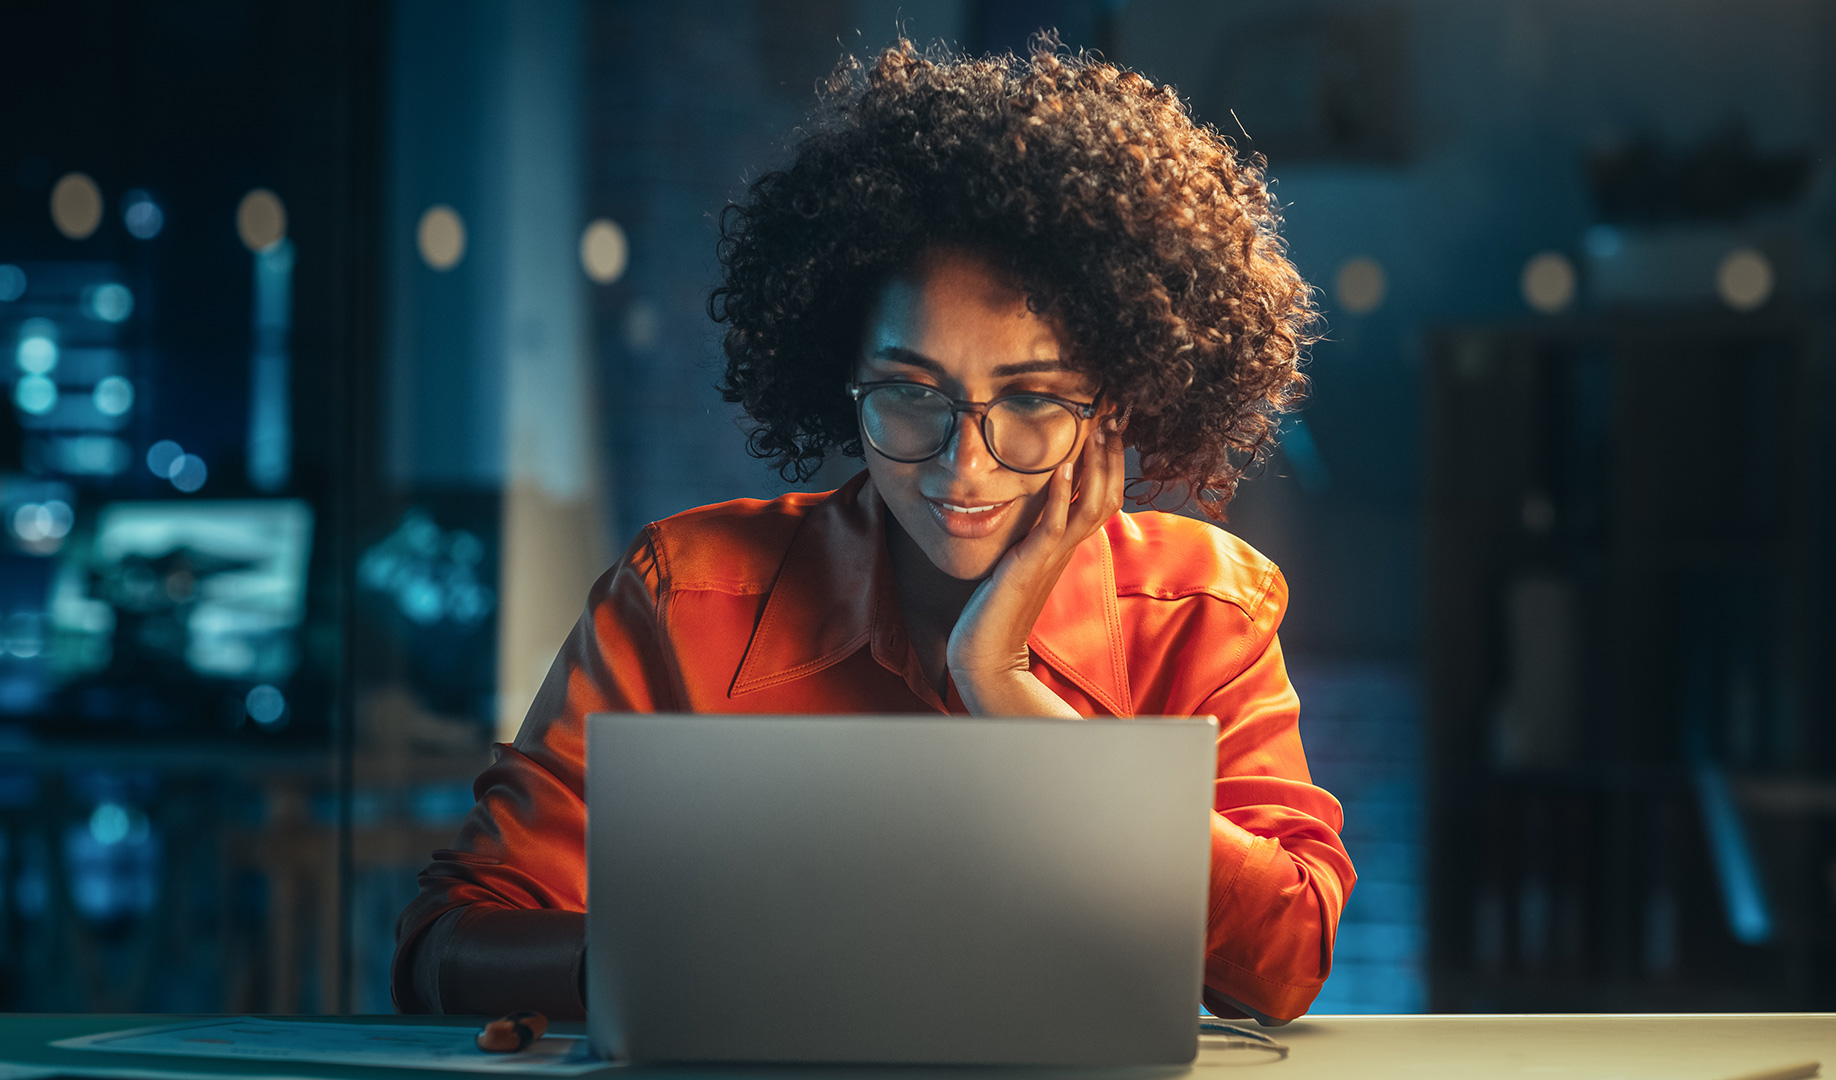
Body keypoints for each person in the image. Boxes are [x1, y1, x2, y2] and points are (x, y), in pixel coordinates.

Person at [394, 39, 1354, 1024]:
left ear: (1114, 404)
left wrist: (1005, 686)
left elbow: (1285, 965)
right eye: (908, 393)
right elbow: (447, 943)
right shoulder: (683, 595)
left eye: (1030, 399)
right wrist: (668, 966)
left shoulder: (1197, 606)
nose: (961, 463)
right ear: (841, 379)